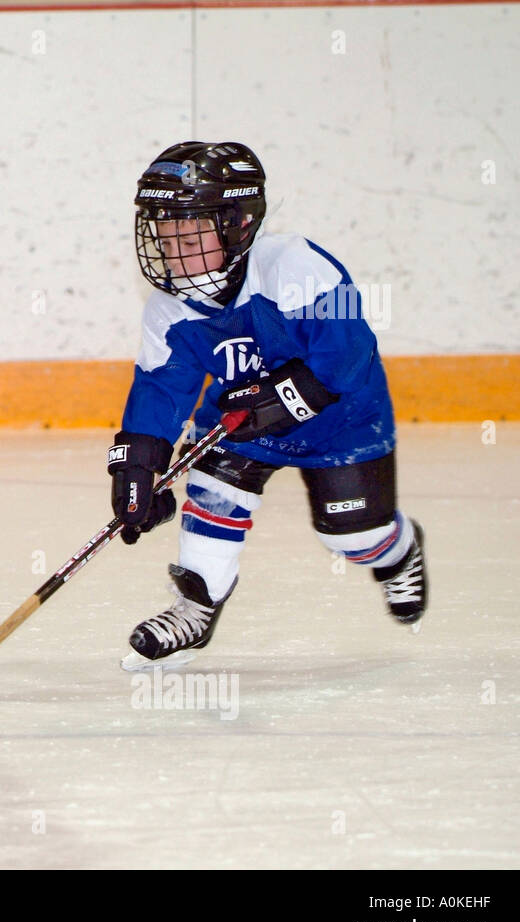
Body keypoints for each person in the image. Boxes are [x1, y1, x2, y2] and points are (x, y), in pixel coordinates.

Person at [108, 141, 427, 667]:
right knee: (212, 492)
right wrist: (139, 463)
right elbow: (161, 388)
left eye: (189, 235)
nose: (172, 249)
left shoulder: (296, 264)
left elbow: (348, 354)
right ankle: (196, 604)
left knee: (355, 539)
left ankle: (397, 549)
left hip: (341, 425)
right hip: (241, 418)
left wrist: (281, 400)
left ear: (237, 223)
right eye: (165, 235)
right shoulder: (169, 307)